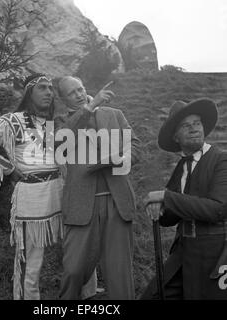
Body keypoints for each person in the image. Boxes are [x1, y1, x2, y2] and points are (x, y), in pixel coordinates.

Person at [0, 73, 98, 300]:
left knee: (80, 250)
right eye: (42, 88)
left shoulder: (52, 122)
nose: (48, 92)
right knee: (32, 263)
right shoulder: (12, 120)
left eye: (50, 88)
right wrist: (8, 168)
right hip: (32, 199)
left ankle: (89, 297)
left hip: (63, 192)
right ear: (29, 93)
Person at [54, 76, 142, 300]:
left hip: (117, 201)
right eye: (72, 92)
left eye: (81, 88)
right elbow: (59, 144)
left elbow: (135, 146)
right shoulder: (60, 121)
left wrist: (124, 157)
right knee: (73, 271)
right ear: (64, 99)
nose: (79, 94)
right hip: (81, 205)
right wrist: (90, 107)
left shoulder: (114, 114)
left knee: (119, 274)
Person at [142, 98, 227, 299]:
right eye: (186, 125)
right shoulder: (181, 167)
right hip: (184, 250)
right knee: (153, 295)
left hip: (215, 249)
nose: (194, 128)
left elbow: (218, 209)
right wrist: (160, 208)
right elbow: (169, 218)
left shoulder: (221, 159)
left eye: (197, 123)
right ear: (176, 137)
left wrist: (166, 197)